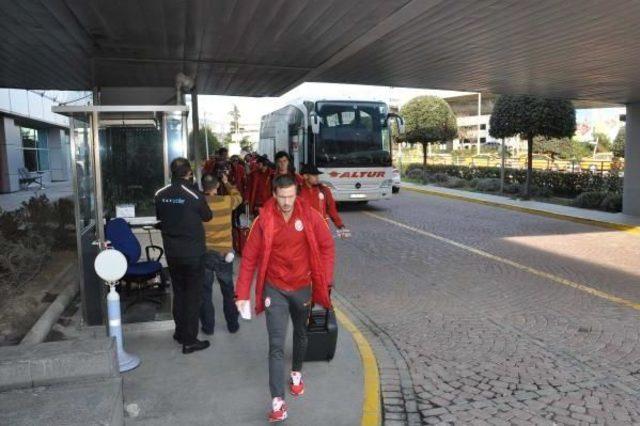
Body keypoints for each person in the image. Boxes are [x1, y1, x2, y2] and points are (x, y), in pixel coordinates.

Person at [235, 174, 335, 423]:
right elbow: (249, 258)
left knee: (301, 335)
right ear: (274, 195)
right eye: (282, 197)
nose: (287, 202)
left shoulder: (310, 216)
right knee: (276, 344)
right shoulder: (264, 220)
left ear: (297, 194)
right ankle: (277, 402)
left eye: (291, 196)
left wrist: (326, 279)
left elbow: (327, 246)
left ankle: (297, 373)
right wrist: (241, 294)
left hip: (302, 287)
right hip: (275, 289)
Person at [155, 158, 213, 354]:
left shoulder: (160, 194)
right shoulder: (194, 195)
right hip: (193, 254)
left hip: (172, 253)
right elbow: (207, 216)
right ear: (189, 173)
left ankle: (180, 332)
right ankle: (189, 341)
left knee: (179, 294)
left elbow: (160, 218)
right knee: (192, 297)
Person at [200, 172, 243, 335]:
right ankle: (232, 325)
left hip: (205, 253)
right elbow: (238, 196)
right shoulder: (226, 201)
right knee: (228, 290)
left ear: (202, 187)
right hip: (224, 254)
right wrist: (227, 183)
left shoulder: (199, 203)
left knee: (205, 292)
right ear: (217, 186)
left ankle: (208, 327)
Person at [299, 163, 350, 238]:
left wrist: (341, 227)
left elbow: (332, 210)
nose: (317, 178)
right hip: (303, 232)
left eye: (317, 175)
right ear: (305, 176)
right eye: (314, 175)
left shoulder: (324, 190)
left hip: (321, 230)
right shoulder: (297, 191)